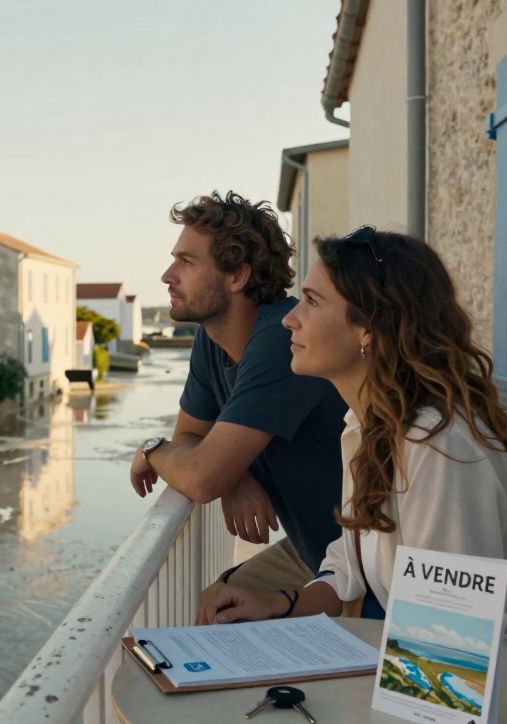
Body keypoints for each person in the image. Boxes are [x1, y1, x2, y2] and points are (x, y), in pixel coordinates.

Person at [199, 226, 507, 702]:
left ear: (368, 328)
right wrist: (277, 603)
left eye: (311, 301)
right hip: (447, 681)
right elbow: (348, 567)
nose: (290, 319)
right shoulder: (366, 426)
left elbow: (448, 631)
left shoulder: (436, 446)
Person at [128, 191, 349, 612]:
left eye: (186, 262)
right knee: (206, 608)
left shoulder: (284, 339)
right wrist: (235, 475)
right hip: (315, 550)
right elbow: (190, 437)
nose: (167, 276)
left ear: (237, 276)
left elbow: (200, 477)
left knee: (218, 615)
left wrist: (152, 449)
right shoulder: (211, 339)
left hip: (360, 562)